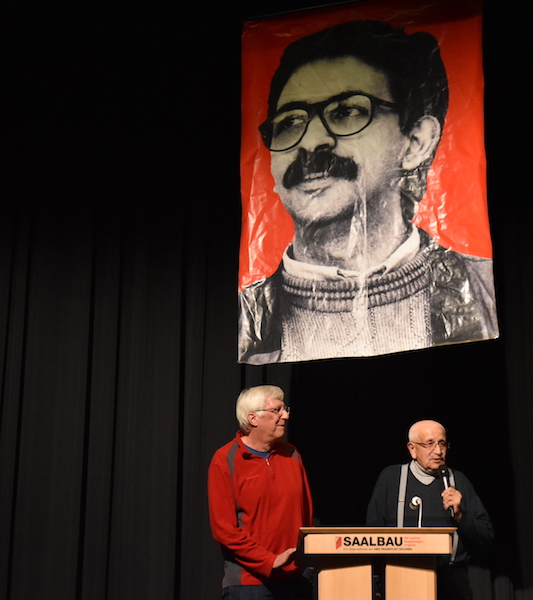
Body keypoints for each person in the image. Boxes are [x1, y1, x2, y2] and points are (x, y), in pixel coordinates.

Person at [238, 20, 498, 365]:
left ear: (416, 142)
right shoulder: (244, 321)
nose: (311, 142)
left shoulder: (485, 292)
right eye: (289, 123)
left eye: (346, 112)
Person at [366, 420, 493, 600]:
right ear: (412, 449)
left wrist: (460, 516)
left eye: (442, 444)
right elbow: (373, 534)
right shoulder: (391, 478)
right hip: (401, 578)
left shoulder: (458, 480)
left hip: (451, 583)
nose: (438, 451)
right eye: (429, 444)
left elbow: (485, 537)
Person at [207, 385, 313, 599]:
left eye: (285, 409)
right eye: (277, 410)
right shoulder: (225, 459)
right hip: (250, 584)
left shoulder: (292, 455)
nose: (285, 415)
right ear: (253, 418)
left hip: (296, 580)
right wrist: (269, 561)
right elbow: (224, 530)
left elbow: (306, 515)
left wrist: (308, 559)